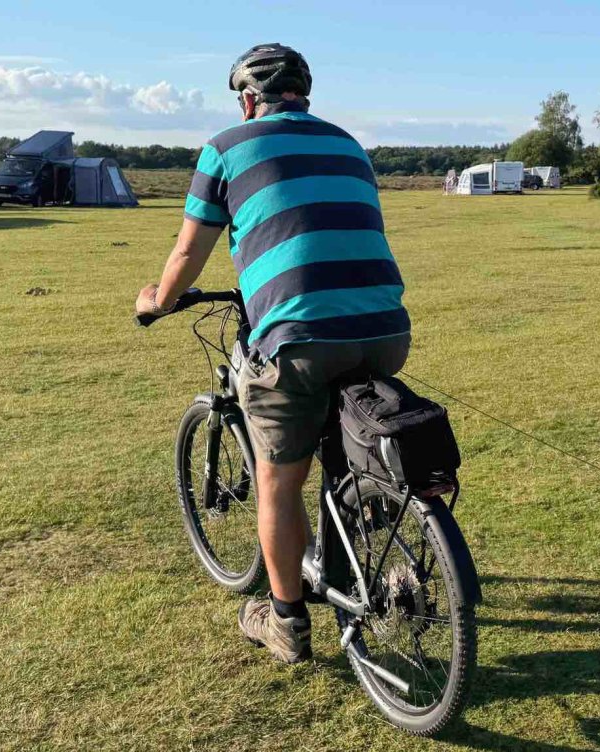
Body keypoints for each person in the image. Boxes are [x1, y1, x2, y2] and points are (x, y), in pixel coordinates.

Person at [135, 43, 411, 664]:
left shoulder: (225, 148)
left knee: (277, 481)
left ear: (247, 99)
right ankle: (366, 545)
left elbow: (188, 253)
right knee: (351, 441)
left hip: (297, 338)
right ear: (303, 96)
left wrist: (157, 301)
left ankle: (286, 621)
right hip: (385, 330)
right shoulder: (348, 144)